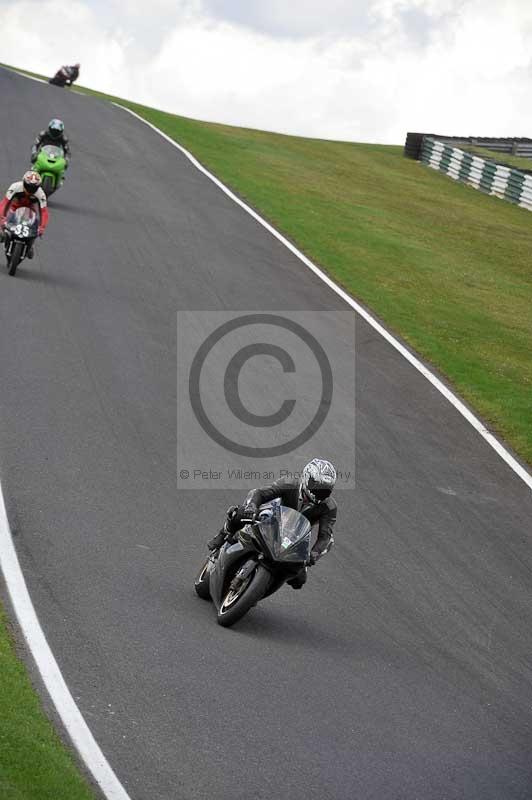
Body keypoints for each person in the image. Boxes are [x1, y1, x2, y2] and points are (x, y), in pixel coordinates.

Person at [207, 459, 337, 589]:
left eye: (325, 490)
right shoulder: (290, 483)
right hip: (270, 517)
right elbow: (260, 493)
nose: (320, 492)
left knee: (299, 580)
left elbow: (325, 536)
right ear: (307, 478)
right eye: (317, 486)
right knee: (238, 513)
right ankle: (223, 534)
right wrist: (252, 507)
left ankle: (262, 587)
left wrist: (314, 554)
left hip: (294, 537)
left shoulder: (329, 507)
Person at [0, 171, 49, 259]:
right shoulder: (15, 187)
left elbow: (44, 212)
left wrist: (42, 227)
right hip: (15, 207)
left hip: (30, 209)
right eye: (28, 186)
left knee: (34, 224)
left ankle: (31, 244)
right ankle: (5, 234)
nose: (30, 190)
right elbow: (5, 203)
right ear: (24, 182)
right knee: (4, 227)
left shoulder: (41, 194)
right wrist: (2, 218)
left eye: (34, 188)